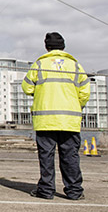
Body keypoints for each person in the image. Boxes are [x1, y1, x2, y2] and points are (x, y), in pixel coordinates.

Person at [22, 32, 89, 200]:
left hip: (45, 120)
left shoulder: (39, 64)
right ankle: (74, 191)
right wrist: (76, 104)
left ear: (47, 47)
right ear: (64, 47)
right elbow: (85, 91)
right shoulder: (75, 66)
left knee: (46, 156)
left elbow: (27, 88)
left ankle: (46, 190)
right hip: (69, 120)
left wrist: (42, 94)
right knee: (70, 156)